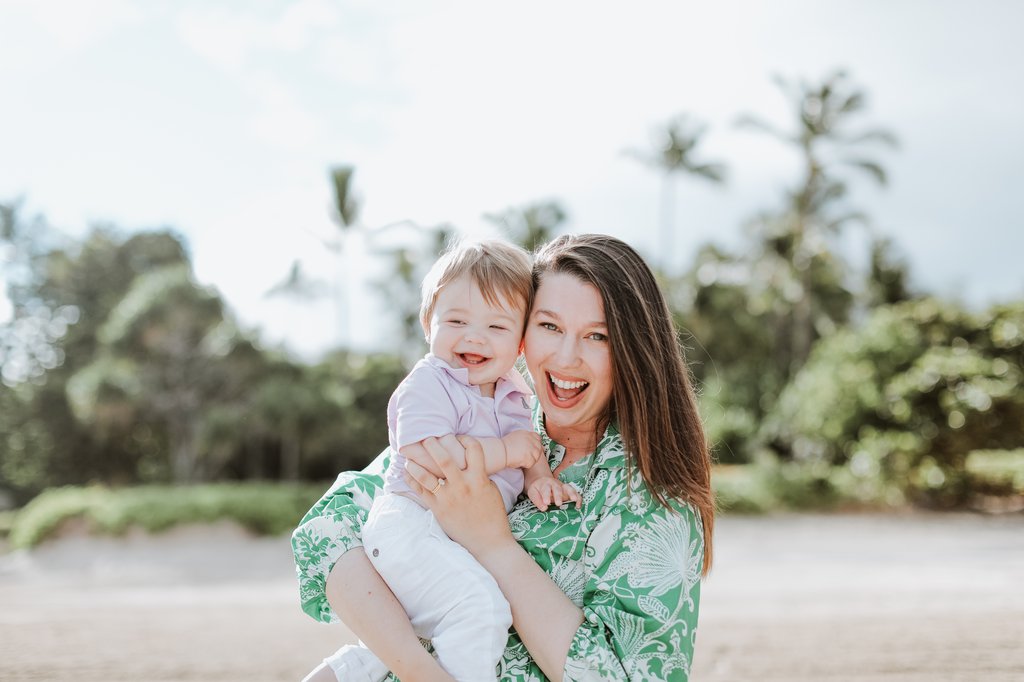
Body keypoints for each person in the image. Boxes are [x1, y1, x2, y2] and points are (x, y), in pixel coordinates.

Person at [292, 233, 715, 681]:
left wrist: (493, 544)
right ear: (523, 334)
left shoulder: (651, 497)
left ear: (634, 350)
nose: (566, 357)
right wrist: (415, 668)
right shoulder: (488, 415)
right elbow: (328, 530)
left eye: (597, 336)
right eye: (549, 326)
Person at [306, 238, 581, 682]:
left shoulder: (513, 393)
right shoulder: (429, 383)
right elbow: (427, 454)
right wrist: (504, 452)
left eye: (497, 326)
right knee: (481, 609)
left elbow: (528, 446)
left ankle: (346, 671)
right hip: (411, 523)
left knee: (406, 635)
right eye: (456, 320)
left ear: (521, 344)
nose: (474, 336)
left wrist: (539, 477)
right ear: (427, 323)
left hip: (448, 535)